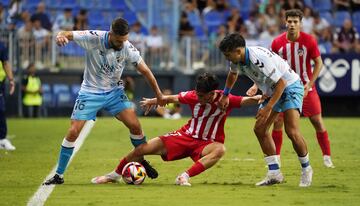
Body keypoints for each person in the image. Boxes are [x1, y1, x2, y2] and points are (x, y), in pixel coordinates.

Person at [43, 17, 166, 185]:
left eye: (125, 40)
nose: (122, 43)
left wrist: (159, 95)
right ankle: (59, 175)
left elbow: (146, 71)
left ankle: (141, 160)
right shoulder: (93, 38)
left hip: (114, 92)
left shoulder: (127, 47)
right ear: (111, 34)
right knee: (73, 131)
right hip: (90, 92)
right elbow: (66, 33)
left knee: (136, 126)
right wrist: (60, 37)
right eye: (119, 40)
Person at [91, 72, 261, 186]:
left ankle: (184, 176)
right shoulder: (194, 95)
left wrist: (265, 97)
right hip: (184, 135)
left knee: (220, 150)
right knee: (142, 149)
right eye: (197, 94)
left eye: (202, 96)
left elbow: (248, 100)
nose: (198, 98)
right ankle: (114, 175)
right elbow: (171, 98)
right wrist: (153, 101)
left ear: (211, 93)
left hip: (207, 143)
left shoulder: (225, 99)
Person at [218, 33, 313, 187]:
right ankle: (274, 173)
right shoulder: (237, 58)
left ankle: (306, 169)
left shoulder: (258, 59)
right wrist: (225, 95)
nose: (227, 58)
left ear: (238, 51)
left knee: (292, 132)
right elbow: (232, 74)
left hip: (290, 86)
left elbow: (281, 83)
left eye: (228, 55)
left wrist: (268, 108)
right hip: (272, 89)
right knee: (260, 129)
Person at [265, 9, 335, 168]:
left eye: (295, 22)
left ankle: (327, 157)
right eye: (289, 21)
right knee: (278, 122)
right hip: (284, 88)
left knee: (317, 121)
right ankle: (276, 157)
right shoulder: (277, 43)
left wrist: (310, 84)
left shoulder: (309, 40)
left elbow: (319, 62)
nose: (292, 24)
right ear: (285, 23)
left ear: (300, 24)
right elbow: (271, 65)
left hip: (305, 88)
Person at [0, 40, 16, 150]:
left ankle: (2, 139)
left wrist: (11, 80)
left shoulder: (1, 46)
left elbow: (5, 63)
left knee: (1, 109)